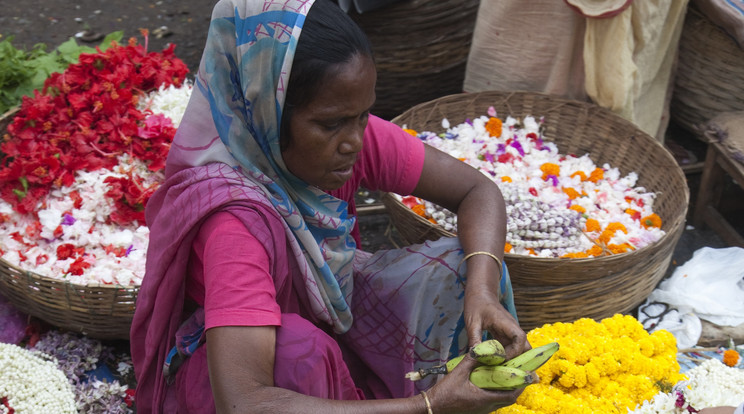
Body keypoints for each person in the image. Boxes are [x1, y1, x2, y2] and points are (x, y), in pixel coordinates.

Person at [130, 0, 529, 413]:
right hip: (255, 384)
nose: (354, 141)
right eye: (330, 123)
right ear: (267, 110)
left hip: (332, 332)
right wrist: (428, 404)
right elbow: (244, 402)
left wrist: (482, 293)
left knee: (464, 266)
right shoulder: (236, 226)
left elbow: (477, 192)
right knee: (297, 348)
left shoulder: (344, 137)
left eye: (363, 116)